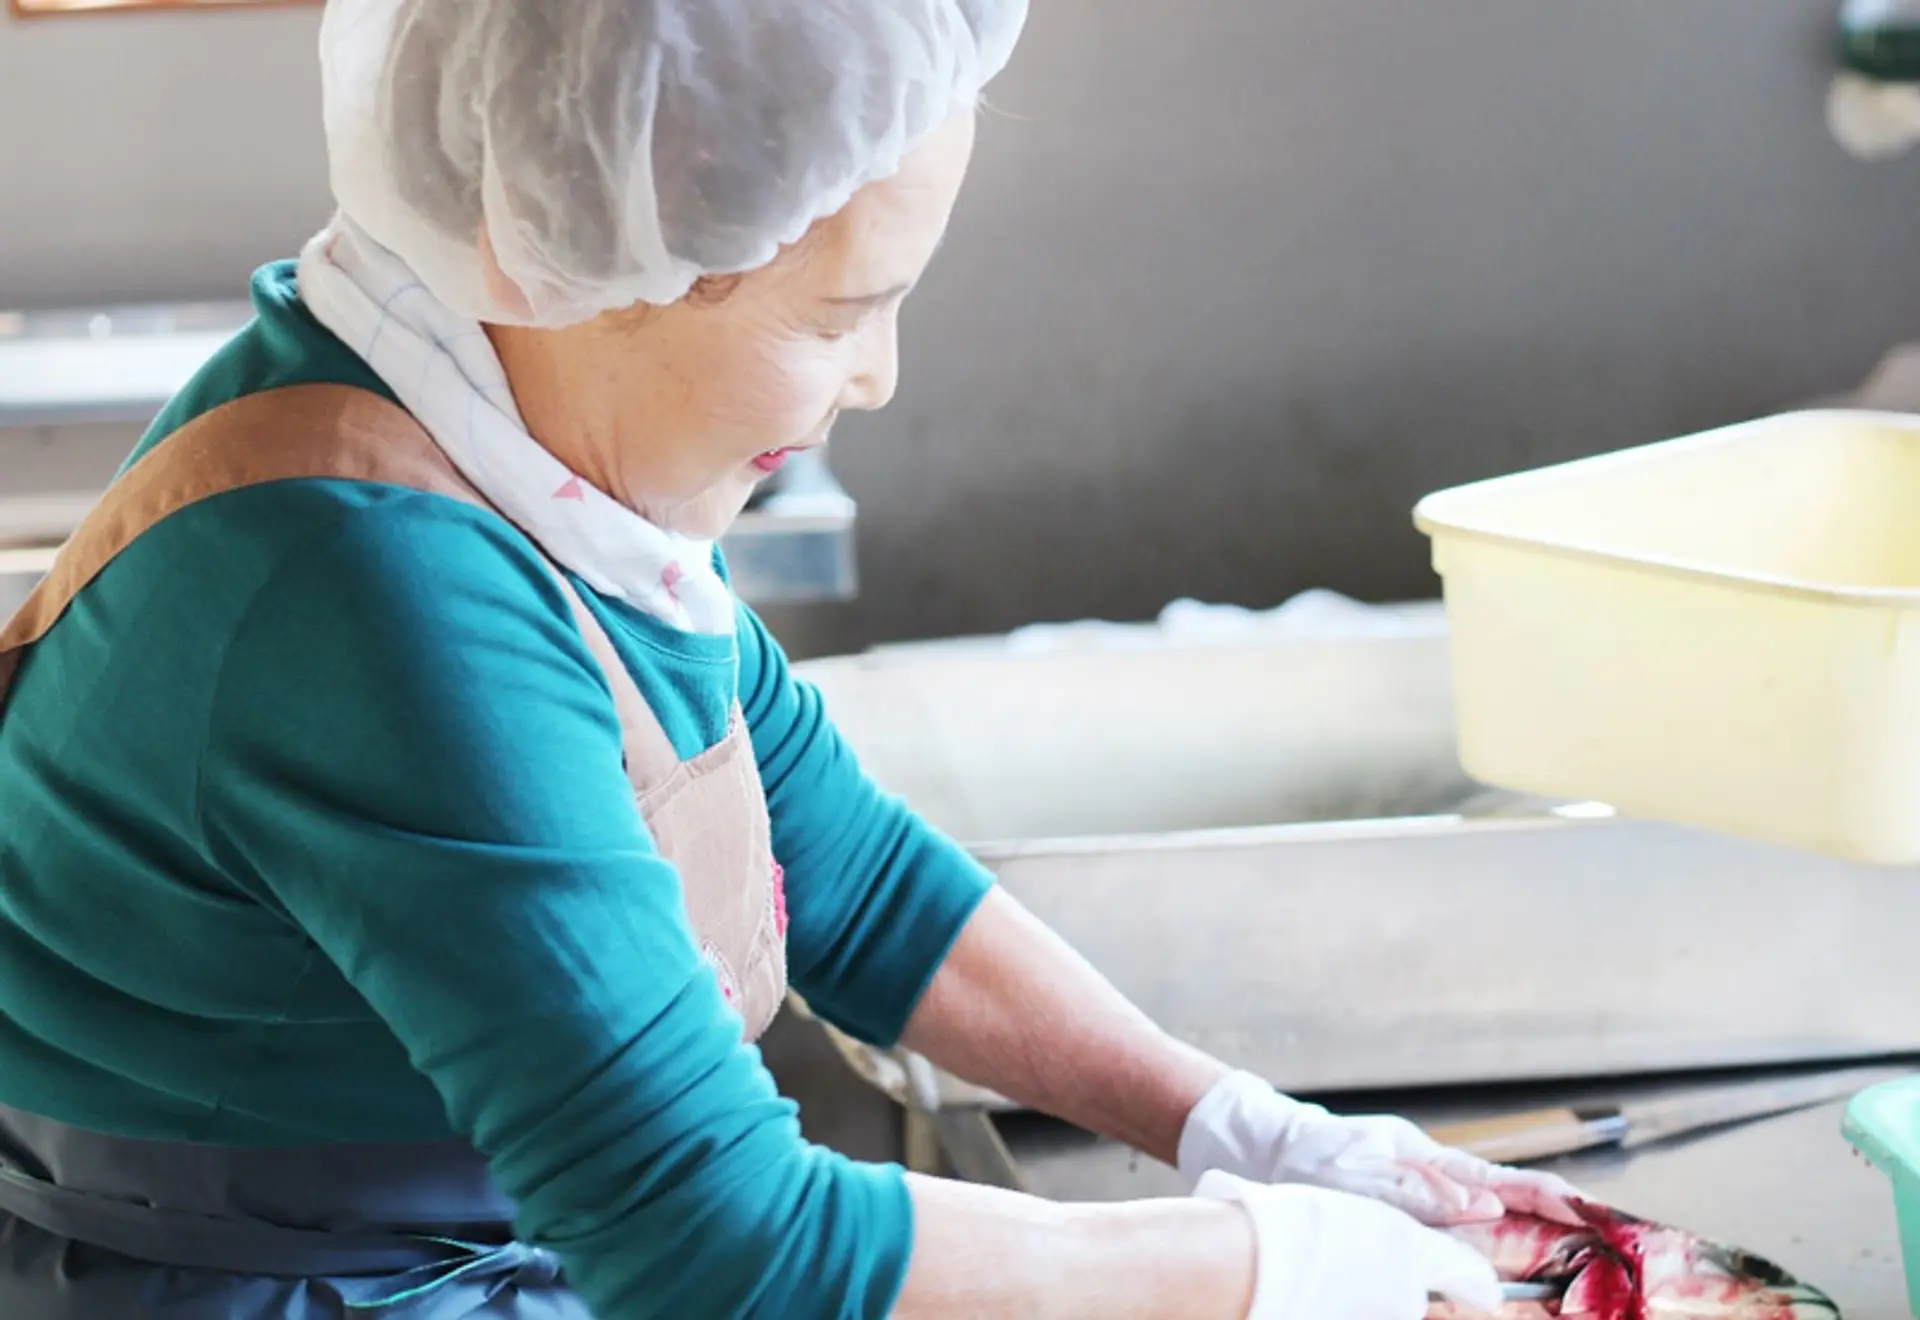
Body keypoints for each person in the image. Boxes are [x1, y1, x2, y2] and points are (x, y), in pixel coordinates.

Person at [0, 3, 1576, 1317]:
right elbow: (721, 1241)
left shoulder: (500, 427)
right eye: (840, 314)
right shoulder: (380, 590)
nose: (877, 377)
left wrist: (1240, 1127)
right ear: (592, 250)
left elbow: (856, 882)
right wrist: (1274, 1270)